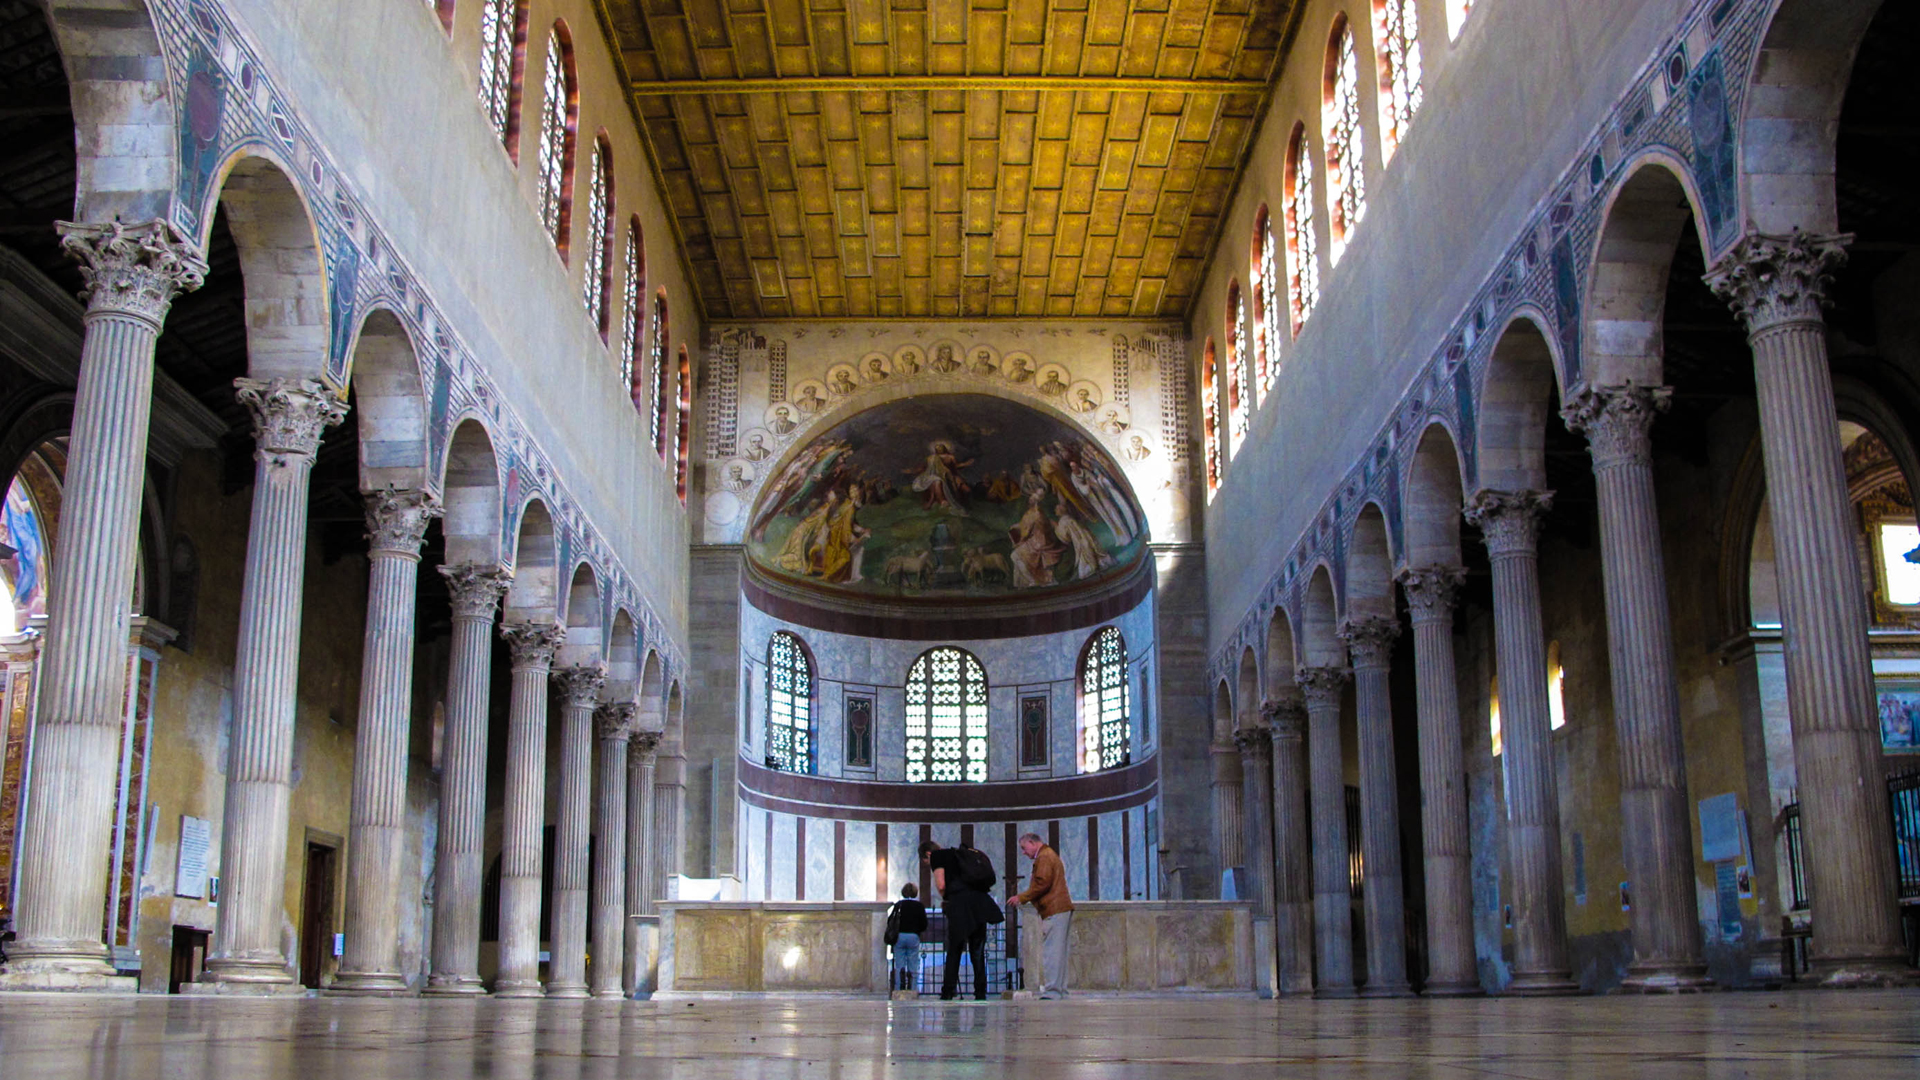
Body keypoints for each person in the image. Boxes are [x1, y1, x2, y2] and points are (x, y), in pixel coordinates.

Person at [919, 840, 1000, 1000]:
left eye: (926, 862)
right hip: (980, 902)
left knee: (955, 949)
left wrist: (945, 899)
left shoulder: (937, 856)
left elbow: (941, 885)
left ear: (928, 854)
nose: (929, 864)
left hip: (960, 904)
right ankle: (980, 992)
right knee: (977, 951)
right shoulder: (957, 854)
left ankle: (948, 991)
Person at [1010, 832, 1074, 999]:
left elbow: (1042, 883)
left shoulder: (1044, 857)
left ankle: (1053, 991)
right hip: (1060, 909)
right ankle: (1059, 991)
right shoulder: (1048, 854)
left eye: (1024, 848)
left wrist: (1021, 897)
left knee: (1052, 952)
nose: (1024, 852)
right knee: (1059, 953)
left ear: (1032, 842)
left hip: (1055, 909)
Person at [888, 883, 928, 992]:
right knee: (913, 964)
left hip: (899, 936)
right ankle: (912, 989)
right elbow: (924, 924)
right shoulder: (919, 906)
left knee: (899, 964)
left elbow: (890, 920)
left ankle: (898, 988)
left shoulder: (899, 905)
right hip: (913, 936)